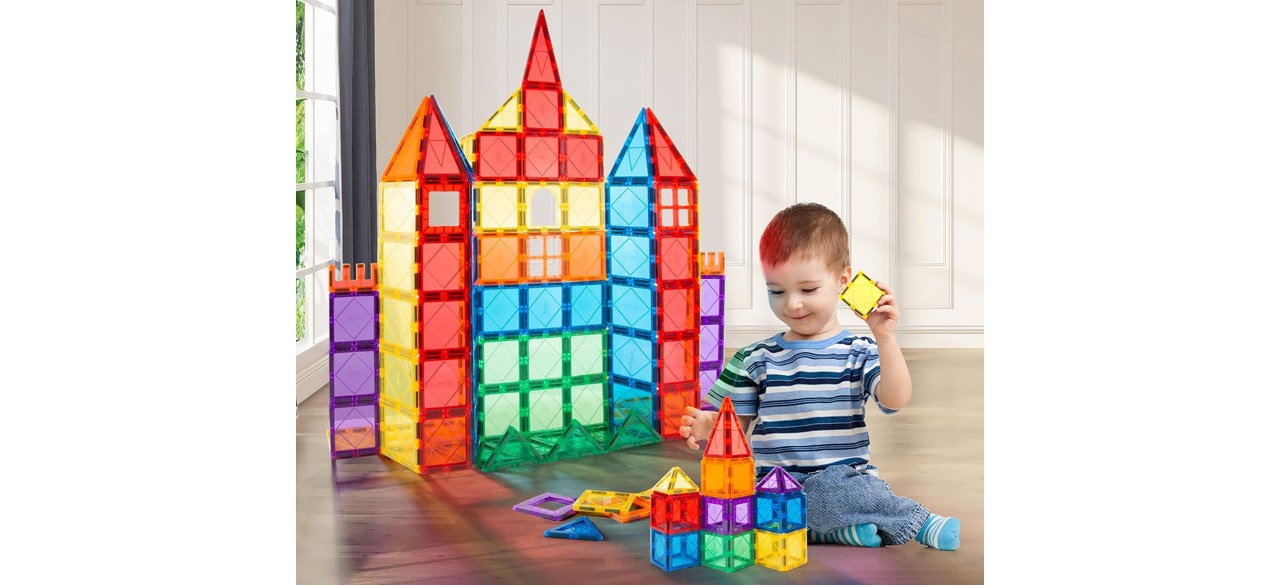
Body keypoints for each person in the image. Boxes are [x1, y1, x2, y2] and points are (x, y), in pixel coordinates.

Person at [678, 202, 960, 550]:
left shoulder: (858, 351)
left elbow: (895, 399)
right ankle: (832, 531)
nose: (792, 304)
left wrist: (884, 338)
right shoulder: (755, 357)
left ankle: (919, 521)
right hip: (774, 482)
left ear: (843, 280)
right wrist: (711, 425)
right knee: (735, 506)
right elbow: (737, 423)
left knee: (841, 493)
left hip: (838, 478)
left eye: (807, 290)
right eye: (776, 291)